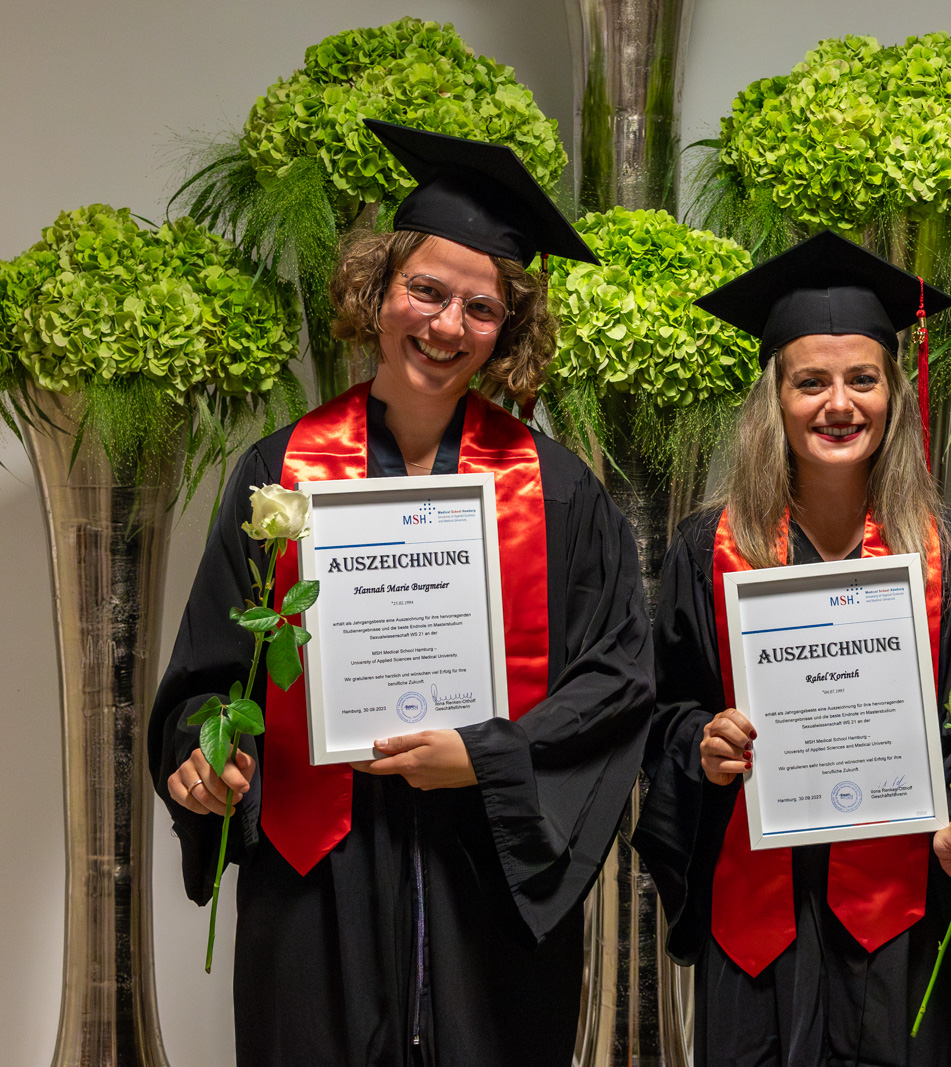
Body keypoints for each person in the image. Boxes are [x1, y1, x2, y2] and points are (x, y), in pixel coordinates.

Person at [148, 120, 653, 1067]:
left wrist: (488, 757)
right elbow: (213, 675)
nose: (447, 326)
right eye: (426, 290)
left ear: (508, 329)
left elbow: (617, 684)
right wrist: (202, 759)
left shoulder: (558, 493)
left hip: (486, 895)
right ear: (377, 288)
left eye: (481, 307)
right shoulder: (281, 475)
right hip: (317, 896)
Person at [632, 231, 951, 1066]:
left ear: (895, 395)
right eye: (810, 381)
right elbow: (664, 712)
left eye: (863, 380)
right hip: (758, 920)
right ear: (774, 399)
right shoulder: (709, 550)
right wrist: (702, 744)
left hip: (896, 917)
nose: (838, 404)